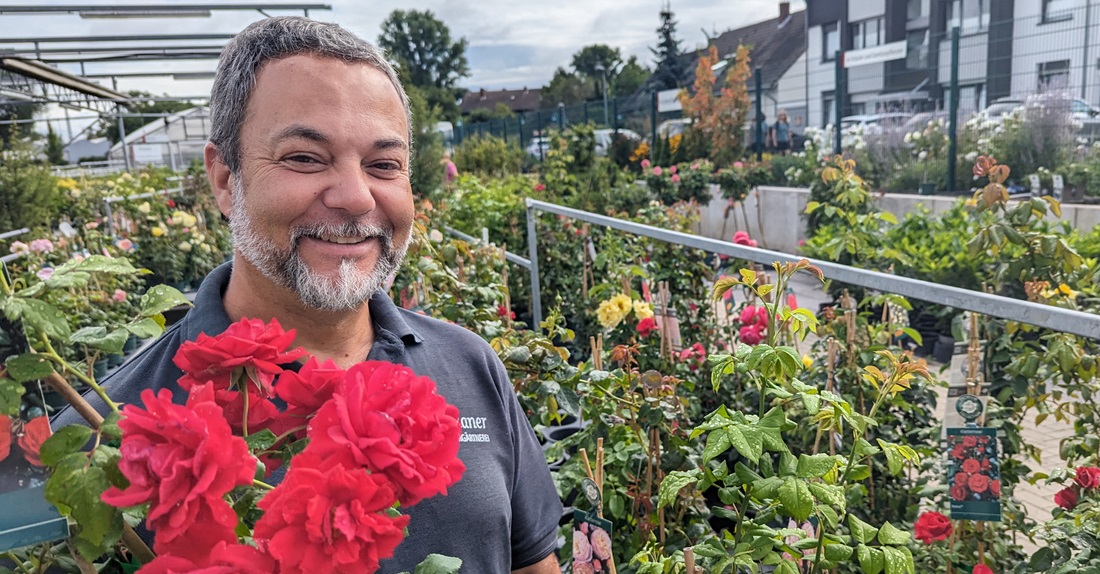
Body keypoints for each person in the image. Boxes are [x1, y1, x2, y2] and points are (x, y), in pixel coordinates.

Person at [54, 16, 562, 574]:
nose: (354, 197)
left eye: (384, 165)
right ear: (225, 179)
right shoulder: (104, 433)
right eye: (304, 157)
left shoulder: (469, 365)